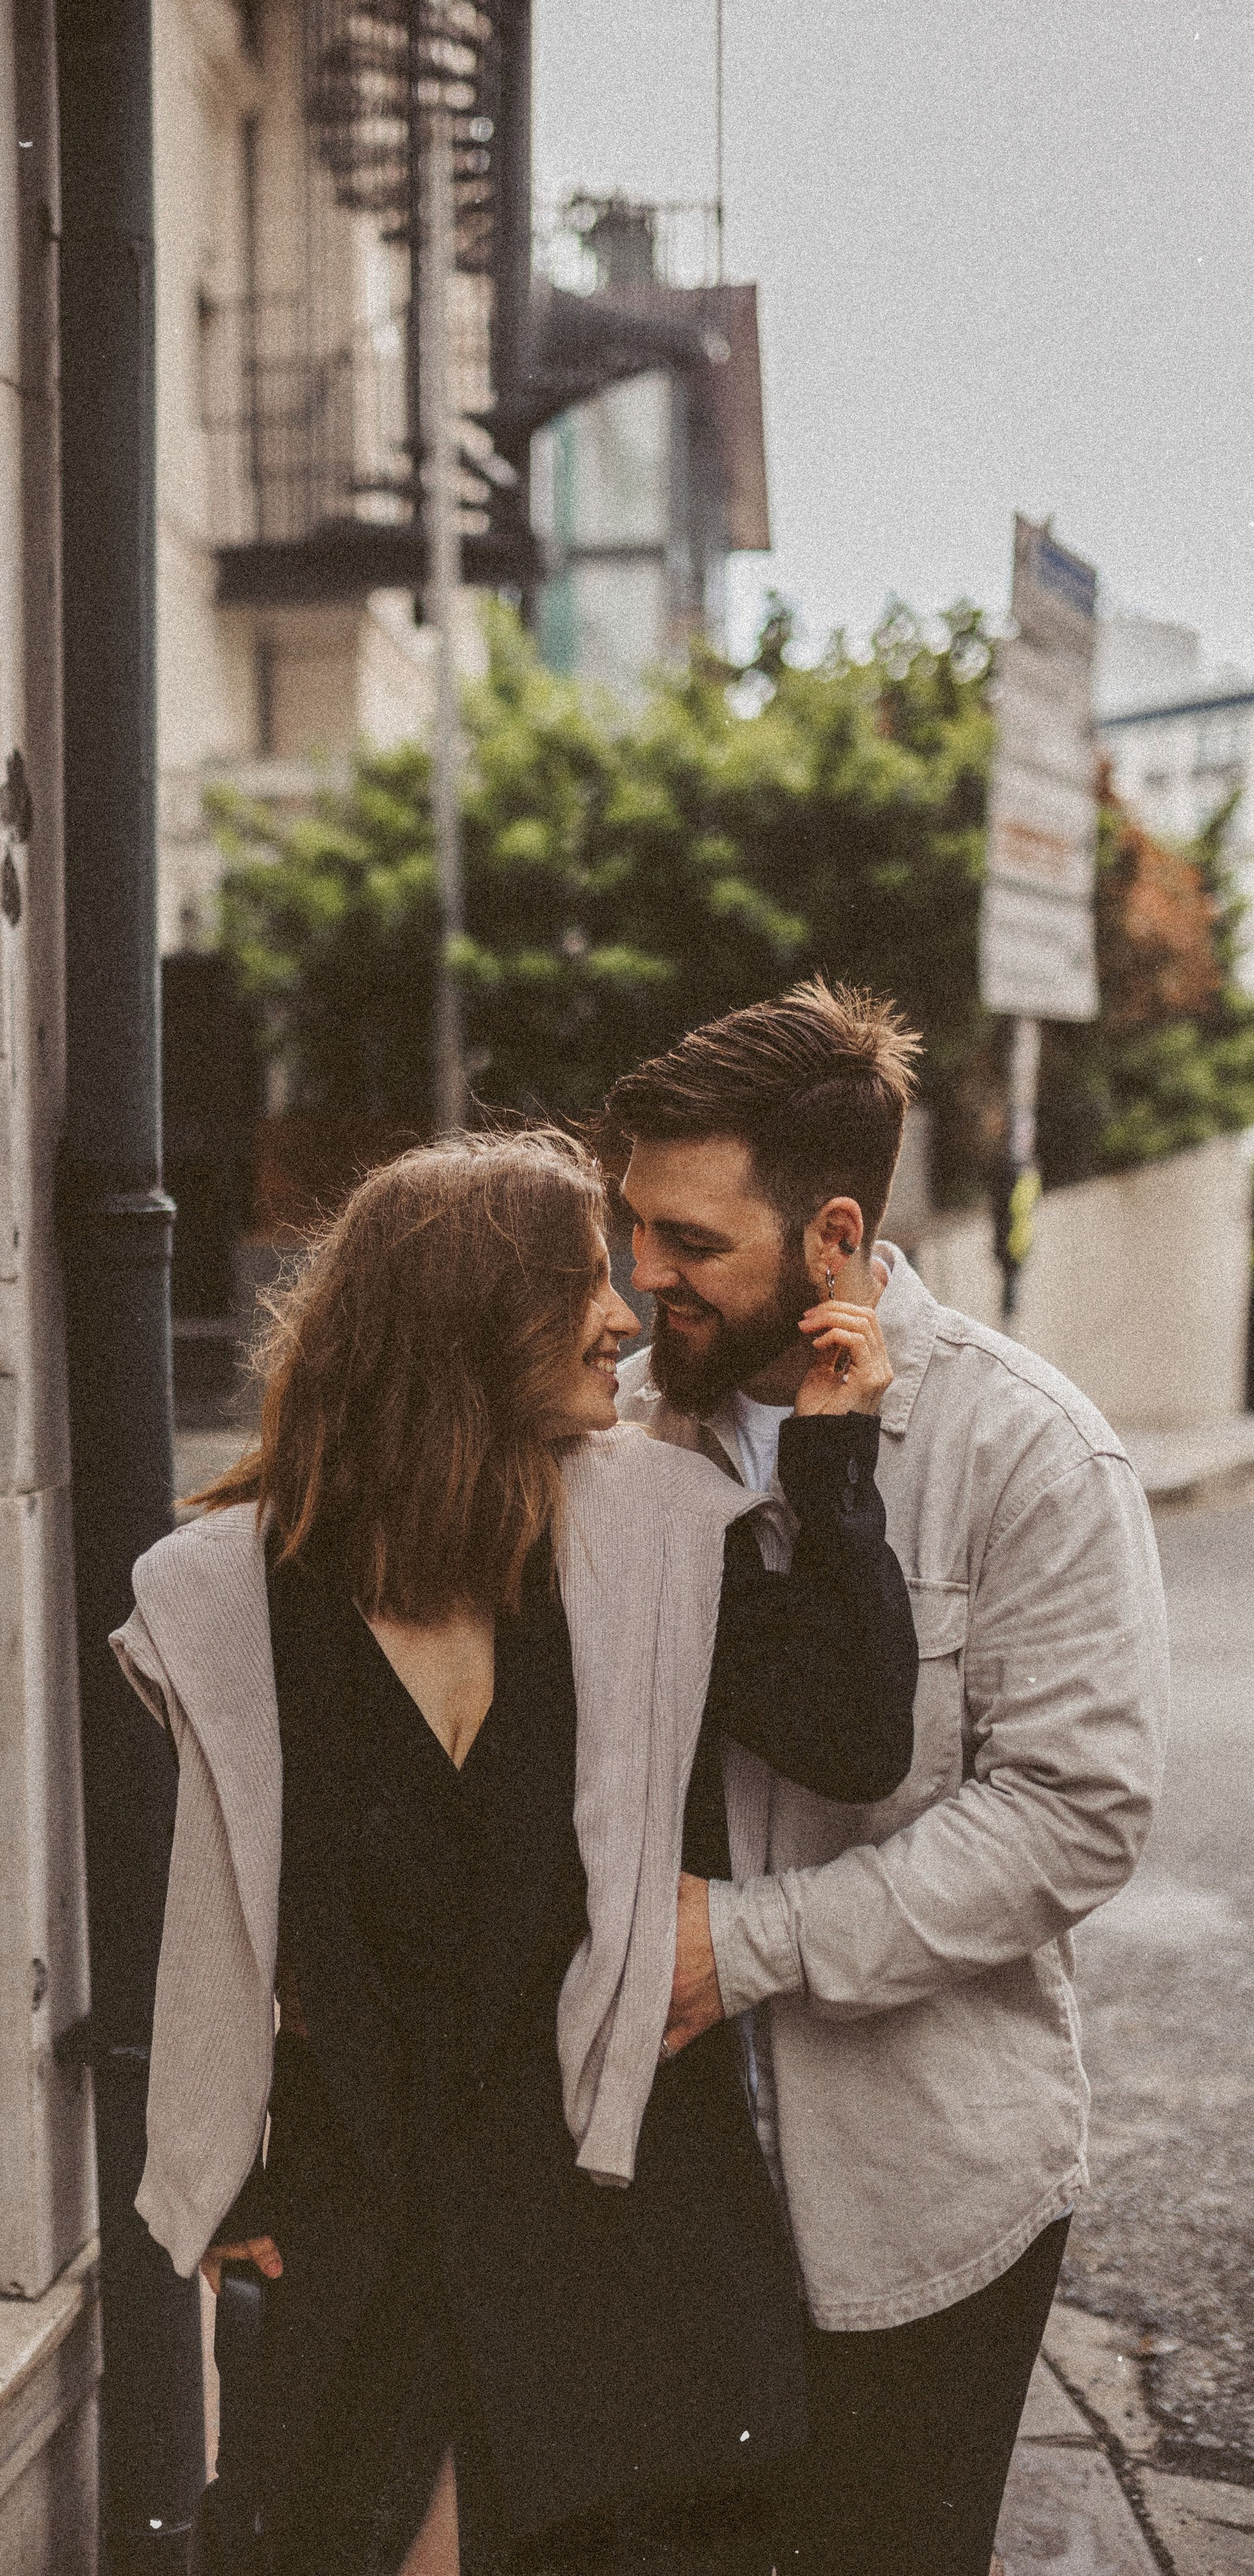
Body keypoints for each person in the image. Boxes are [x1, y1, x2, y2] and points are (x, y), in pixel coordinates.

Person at [111, 1130, 919, 2576]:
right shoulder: (229, 1599)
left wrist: (833, 1458)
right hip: (372, 2231)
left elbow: (853, 1733)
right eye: (580, 1285)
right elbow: (213, 1913)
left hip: (608, 2227)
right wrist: (225, 2161)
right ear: (468, 1327)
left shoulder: (653, 1542)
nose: (623, 1314)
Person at [608, 979, 1169, 2576]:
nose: (643, 1274)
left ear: (834, 1237)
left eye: (691, 1243)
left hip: (926, 2206)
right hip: (655, 2208)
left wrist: (744, 1944)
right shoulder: (623, 1427)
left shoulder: (1027, 1453)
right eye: (632, 1225)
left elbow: (1072, 1816)